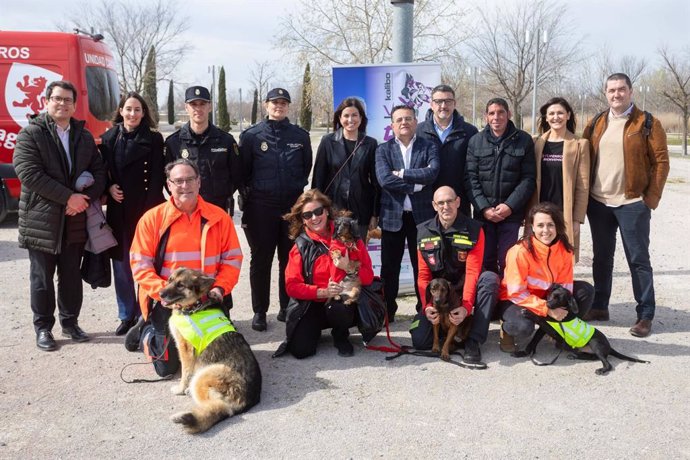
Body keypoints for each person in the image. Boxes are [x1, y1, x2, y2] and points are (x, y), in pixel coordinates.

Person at [13, 80, 107, 351]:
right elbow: (29, 174)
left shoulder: (84, 136)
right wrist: (69, 197)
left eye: (68, 100)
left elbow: (99, 172)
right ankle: (43, 328)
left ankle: (70, 322)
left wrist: (83, 200)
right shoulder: (30, 134)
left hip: (75, 219)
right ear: (46, 101)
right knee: (41, 278)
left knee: (70, 275)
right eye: (57, 98)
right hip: (41, 221)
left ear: (75, 105)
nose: (62, 103)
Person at [127, 159, 242, 376]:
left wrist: (219, 288)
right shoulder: (152, 219)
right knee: (167, 369)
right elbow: (140, 265)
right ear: (169, 185)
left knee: (221, 359)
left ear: (199, 182)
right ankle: (147, 332)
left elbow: (232, 259)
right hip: (167, 300)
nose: (185, 185)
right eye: (178, 181)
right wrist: (165, 293)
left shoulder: (219, 217)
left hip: (208, 298)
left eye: (190, 179)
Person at [582, 73, 669, 337]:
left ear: (631, 91)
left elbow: (661, 162)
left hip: (632, 203)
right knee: (602, 257)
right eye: (611, 90)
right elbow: (583, 154)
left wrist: (650, 198)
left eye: (621, 89)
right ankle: (599, 306)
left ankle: (645, 314)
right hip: (599, 203)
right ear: (606, 93)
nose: (616, 94)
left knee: (638, 259)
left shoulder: (647, 122)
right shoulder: (596, 122)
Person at [239, 87, 312, 331]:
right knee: (261, 260)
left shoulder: (300, 136)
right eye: (274, 102)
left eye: (283, 102)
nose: (278, 106)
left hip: (291, 208)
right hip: (261, 208)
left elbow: (305, 169)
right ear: (265, 105)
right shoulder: (251, 136)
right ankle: (260, 311)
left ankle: (285, 306)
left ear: (288, 106)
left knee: (289, 258)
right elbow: (244, 172)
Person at [274, 189, 375, 359]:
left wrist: (349, 267)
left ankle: (340, 334)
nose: (314, 218)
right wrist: (322, 291)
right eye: (307, 215)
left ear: (327, 211)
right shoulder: (299, 247)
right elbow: (292, 287)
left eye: (318, 211)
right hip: (313, 303)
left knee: (340, 305)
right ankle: (315, 329)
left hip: (341, 302)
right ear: (302, 220)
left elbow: (369, 276)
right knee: (301, 351)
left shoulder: (350, 235)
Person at [99, 92, 165, 336]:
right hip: (119, 208)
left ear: (143, 113)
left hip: (147, 207)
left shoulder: (155, 139)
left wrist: (150, 211)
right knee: (122, 265)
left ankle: (146, 313)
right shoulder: (109, 138)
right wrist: (108, 187)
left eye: (137, 109)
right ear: (120, 110)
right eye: (128, 109)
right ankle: (127, 314)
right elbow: (101, 171)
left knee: (147, 264)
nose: (133, 114)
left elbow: (158, 175)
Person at [410, 186, 499, 366]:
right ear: (434, 206)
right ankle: (447, 332)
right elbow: (423, 275)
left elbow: (473, 272)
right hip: (437, 296)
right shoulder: (423, 232)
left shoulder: (474, 229)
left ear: (458, 202)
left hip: (462, 290)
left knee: (489, 279)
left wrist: (466, 306)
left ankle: (473, 340)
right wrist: (427, 306)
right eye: (441, 203)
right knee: (420, 341)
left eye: (450, 201)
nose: (446, 206)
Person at [498, 202, 594, 350]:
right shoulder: (519, 252)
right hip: (517, 301)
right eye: (540, 225)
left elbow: (565, 289)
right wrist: (547, 310)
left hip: (547, 299)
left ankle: (561, 334)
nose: (546, 230)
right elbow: (516, 293)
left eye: (550, 225)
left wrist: (560, 311)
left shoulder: (565, 251)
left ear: (557, 226)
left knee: (585, 291)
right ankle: (506, 330)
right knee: (523, 327)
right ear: (532, 227)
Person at [375, 104, 439, 321]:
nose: (404, 123)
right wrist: (415, 185)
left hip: (422, 218)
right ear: (392, 124)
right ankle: (387, 310)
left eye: (409, 118)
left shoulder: (428, 146)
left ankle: (423, 309)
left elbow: (432, 173)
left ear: (415, 122)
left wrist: (401, 173)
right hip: (393, 216)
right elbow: (385, 179)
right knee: (389, 268)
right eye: (399, 119)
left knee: (422, 266)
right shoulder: (382, 150)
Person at [465, 97, 536, 276]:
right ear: (486, 117)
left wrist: (510, 206)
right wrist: (484, 207)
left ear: (509, 114)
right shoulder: (475, 141)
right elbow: (470, 178)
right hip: (484, 215)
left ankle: (507, 302)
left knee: (508, 259)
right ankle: (489, 301)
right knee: (486, 261)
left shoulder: (524, 140)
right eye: (492, 113)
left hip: (510, 215)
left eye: (501, 112)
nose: (496, 117)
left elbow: (528, 179)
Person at [528, 97, 590, 262]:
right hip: (539, 212)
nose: (556, 117)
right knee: (537, 258)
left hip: (564, 212)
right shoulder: (536, 142)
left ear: (568, 115)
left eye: (560, 113)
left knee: (562, 259)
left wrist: (577, 219)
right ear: (546, 117)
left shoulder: (580, 144)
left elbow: (582, 185)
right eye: (552, 113)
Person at [311, 97, 380, 239]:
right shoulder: (328, 141)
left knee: (357, 256)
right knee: (334, 255)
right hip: (333, 209)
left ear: (361, 118)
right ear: (340, 118)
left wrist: (374, 214)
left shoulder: (370, 144)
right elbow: (318, 178)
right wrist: (316, 209)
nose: (350, 120)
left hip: (361, 211)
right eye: (346, 115)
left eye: (354, 115)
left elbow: (375, 183)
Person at [164, 85, 241, 212]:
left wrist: (221, 194)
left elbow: (237, 175)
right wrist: (184, 196)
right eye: (193, 104)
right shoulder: (173, 143)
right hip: (185, 210)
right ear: (186, 107)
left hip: (217, 209)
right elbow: (166, 178)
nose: (198, 108)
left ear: (210, 106)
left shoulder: (226, 141)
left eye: (202, 104)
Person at [416, 84, 478, 216]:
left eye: (448, 101)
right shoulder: (418, 132)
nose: (443, 106)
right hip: (426, 203)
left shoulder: (470, 132)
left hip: (458, 202)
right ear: (431, 104)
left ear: (454, 104)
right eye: (438, 101)